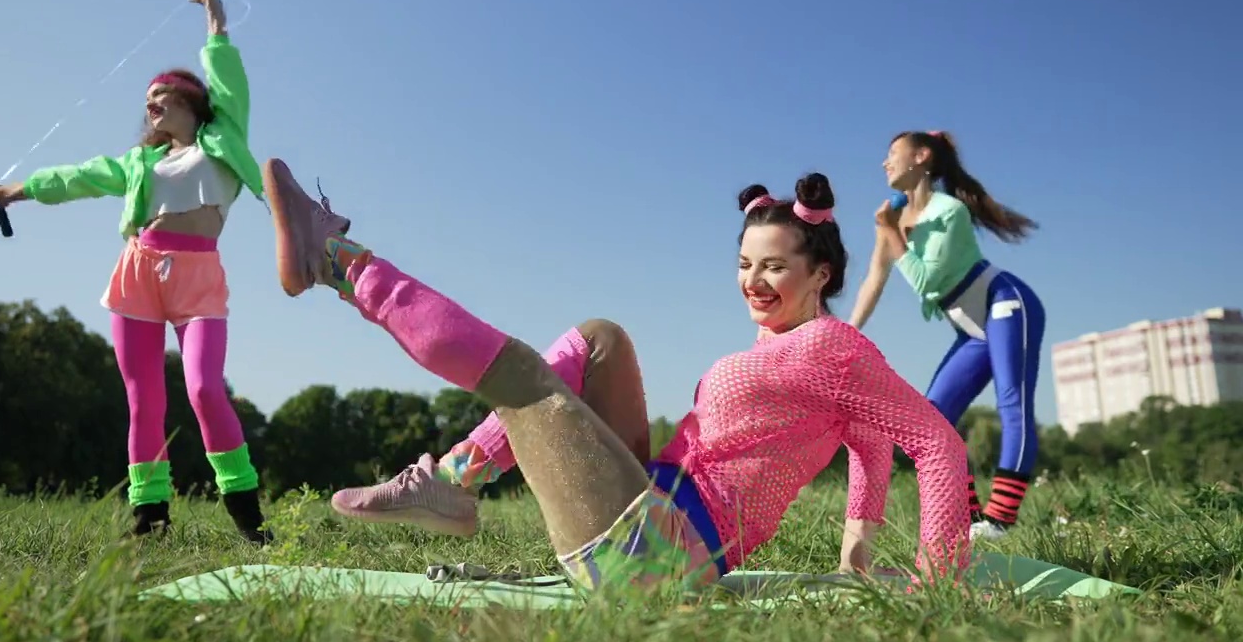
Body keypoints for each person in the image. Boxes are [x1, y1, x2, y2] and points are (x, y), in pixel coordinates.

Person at [262, 157, 971, 590]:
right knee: (601, 339)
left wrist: (939, 583)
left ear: (821, 273)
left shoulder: (832, 348)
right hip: (648, 510)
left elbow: (935, 445)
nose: (754, 281)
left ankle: (340, 263)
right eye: (745, 264)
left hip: (661, 557)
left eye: (775, 266)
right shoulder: (792, 356)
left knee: (520, 381)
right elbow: (867, 445)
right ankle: (454, 485)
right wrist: (856, 558)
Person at [0, 0, 311, 545]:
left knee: (206, 389)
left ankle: (247, 516)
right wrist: (21, 189)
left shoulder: (222, 137)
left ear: (190, 100)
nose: (151, 105)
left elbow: (231, 85)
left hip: (199, 278)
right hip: (138, 274)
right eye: (148, 99)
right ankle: (150, 520)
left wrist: (217, 27)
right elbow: (82, 176)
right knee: (144, 402)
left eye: (161, 96)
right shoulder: (141, 161)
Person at [848, 130, 1045, 541]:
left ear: (921, 157)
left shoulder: (948, 211)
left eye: (892, 154)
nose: (884, 164)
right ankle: (971, 520)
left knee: (1012, 402)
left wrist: (891, 232)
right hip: (971, 331)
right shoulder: (893, 221)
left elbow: (926, 280)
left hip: (1006, 304)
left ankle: (1000, 523)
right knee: (933, 418)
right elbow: (873, 282)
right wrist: (846, 333)